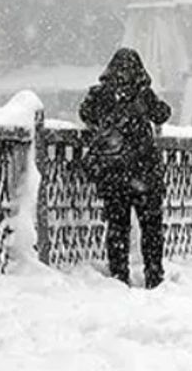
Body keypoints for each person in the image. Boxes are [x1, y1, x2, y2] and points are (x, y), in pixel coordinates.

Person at [79, 48, 172, 288]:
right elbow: (162, 114)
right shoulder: (143, 95)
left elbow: (85, 113)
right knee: (151, 228)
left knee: (117, 228)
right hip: (144, 173)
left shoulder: (101, 94)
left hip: (114, 174)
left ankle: (119, 276)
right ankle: (154, 274)